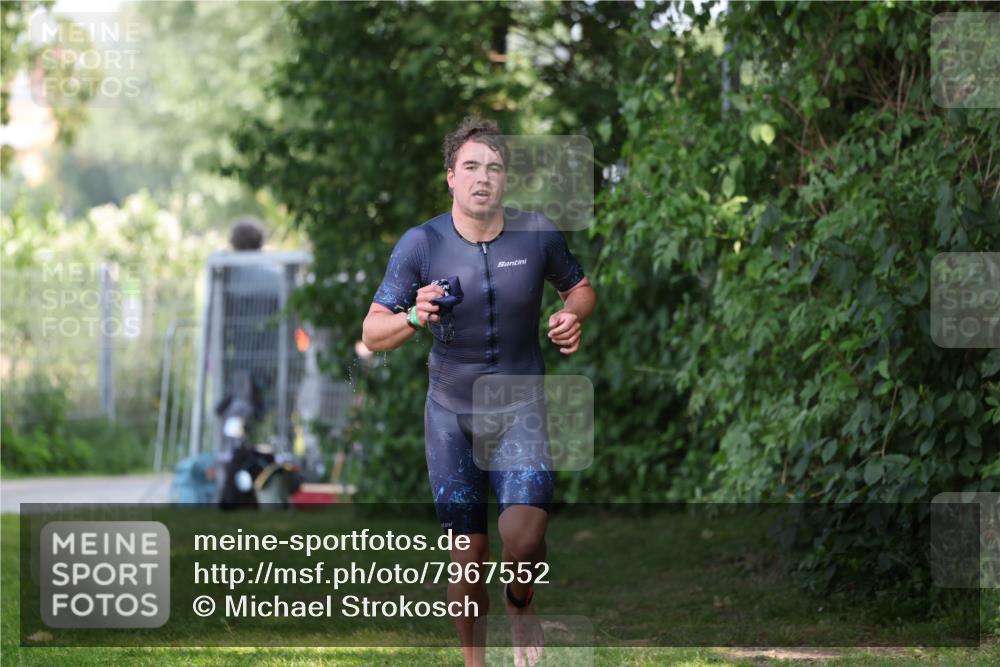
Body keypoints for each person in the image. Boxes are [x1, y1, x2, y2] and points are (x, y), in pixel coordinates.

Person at [361, 117, 596, 667]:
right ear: (450, 177)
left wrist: (571, 314)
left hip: (520, 410)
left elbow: (579, 287)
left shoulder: (536, 234)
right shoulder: (421, 244)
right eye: (471, 167)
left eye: (493, 167)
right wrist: (414, 316)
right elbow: (373, 331)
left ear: (505, 180)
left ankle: (521, 599)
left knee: (525, 533)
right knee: (468, 562)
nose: (482, 178)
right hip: (451, 417)